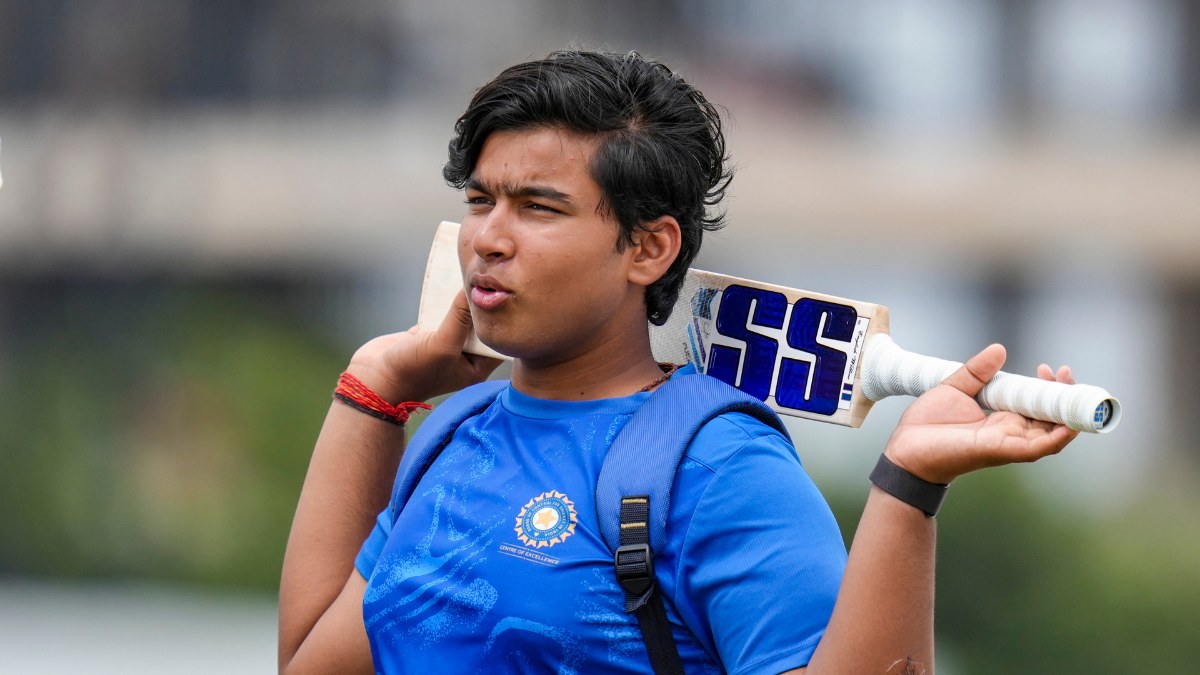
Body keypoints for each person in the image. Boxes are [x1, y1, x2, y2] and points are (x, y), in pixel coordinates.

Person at [278, 50, 1078, 674]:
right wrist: (375, 389)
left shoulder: (719, 466)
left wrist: (908, 485)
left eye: (539, 208)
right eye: (481, 200)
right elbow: (310, 662)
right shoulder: (454, 433)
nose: (488, 237)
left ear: (649, 248)